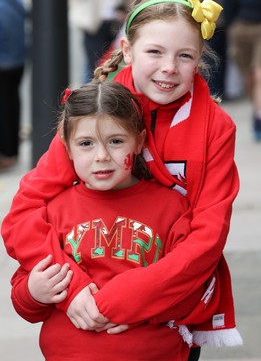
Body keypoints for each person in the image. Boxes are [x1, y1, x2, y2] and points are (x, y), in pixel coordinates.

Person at [2, 0, 243, 359]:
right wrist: (75, 288)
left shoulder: (216, 127)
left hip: (169, 298)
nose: (168, 67)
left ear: (199, 60)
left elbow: (207, 236)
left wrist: (124, 300)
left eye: (184, 56)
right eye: (154, 52)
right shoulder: (95, 113)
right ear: (127, 50)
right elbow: (25, 210)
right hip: (83, 305)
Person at [10, 79, 220, 360]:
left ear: (139, 141)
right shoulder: (52, 212)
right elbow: (25, 302)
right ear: (66, 148)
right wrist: (34, 292)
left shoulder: (172, 207)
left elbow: (191, 289)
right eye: (86, 143)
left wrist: (139, 306)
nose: (102, 156)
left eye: (116, 141)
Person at [222, 0, 261, 140]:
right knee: (249, 77)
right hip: (241, 26)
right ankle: (257, 108)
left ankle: (259, 118)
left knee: (259, 74)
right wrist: (231, 23)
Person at [68, 0, 125, 83]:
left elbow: (115, 1)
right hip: (93, 28)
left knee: (106, 61)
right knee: (94, 64)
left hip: (110, 26)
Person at [0, 0, 27, 168]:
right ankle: (12, 152)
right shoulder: (17, 2)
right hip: (18, 62)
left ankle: (5, 153)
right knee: (13, 104)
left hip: (3, 62)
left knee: (3, 108)